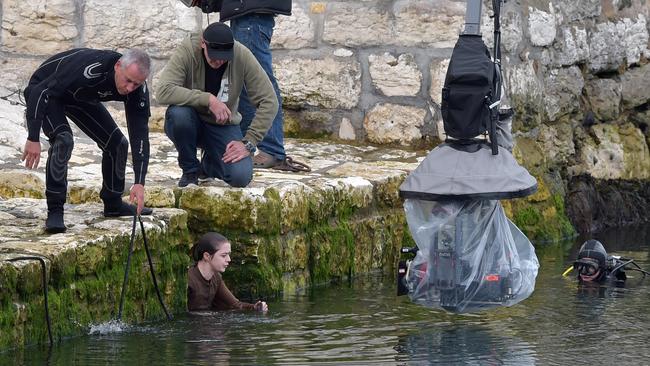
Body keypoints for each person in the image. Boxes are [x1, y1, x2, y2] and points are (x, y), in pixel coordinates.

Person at [22, 48, 154, 234]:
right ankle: (55, 211)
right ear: (118, 66)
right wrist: (33, 137)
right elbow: (40, 90)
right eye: (128, 81)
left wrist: (140, 182)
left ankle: (113, 203)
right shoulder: (90, 68)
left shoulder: (137, 90)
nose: (130, 88)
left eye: (137, 84)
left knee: (118, 144)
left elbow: (140, 134)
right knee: (64, 140)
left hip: (80, 96)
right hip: (45, 92)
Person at [180, 0, 310, 172]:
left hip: (250, 16)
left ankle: (270, 150)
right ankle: (257, 149)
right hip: (248, 13)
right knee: (250, 84)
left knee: (256, 85)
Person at [156, 22, 279, 187]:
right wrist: (208, 99)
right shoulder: (187, 50)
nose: (219, 61)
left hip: (222, 125)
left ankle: (209, 164)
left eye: (224, 56)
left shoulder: (241, 54)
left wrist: (249, 142)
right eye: (213, 55)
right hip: (190, 120)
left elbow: (269, 101)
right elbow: (163, 91)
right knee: (179, 115)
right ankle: (191, 170)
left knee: (240, 177)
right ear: (202, 44)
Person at [188, 232, 268, 312]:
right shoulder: (189, 279)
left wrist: (255, 307)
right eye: (223, 255)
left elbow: (235, 304)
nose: (229, 259)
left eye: (228, 255)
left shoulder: (216, 277)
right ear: (207, 256)